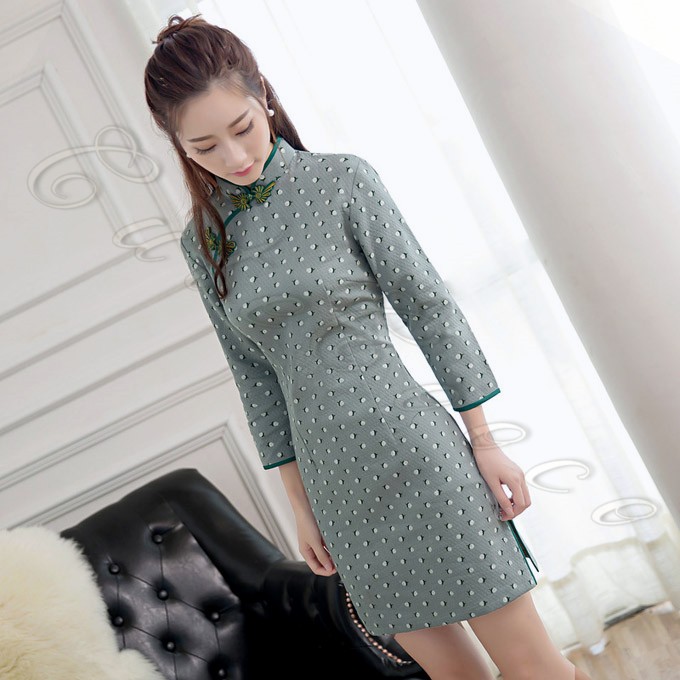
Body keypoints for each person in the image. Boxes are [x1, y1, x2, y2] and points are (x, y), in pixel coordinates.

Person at [144, 14, 591, 680]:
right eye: (205, 147)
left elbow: (430, 308)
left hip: (421, 457)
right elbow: (256, 378)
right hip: (341, 496)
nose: (234, 158)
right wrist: (302, 509)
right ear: (178, 145)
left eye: (242, 128)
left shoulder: (343, 181)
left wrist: (485, 441)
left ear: (263, 95)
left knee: (534, 668)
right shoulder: (203, 243)